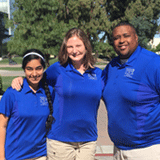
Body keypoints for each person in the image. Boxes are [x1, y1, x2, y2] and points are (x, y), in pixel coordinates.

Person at [11, 28, 104, 160]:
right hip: (60, 141)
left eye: (78, 45)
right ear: (65, 48)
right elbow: (36, 79)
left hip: (87, 141)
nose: (74, 50)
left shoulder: (98, 74)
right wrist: (21, 80)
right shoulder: (58, 69)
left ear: (86, 47)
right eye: (70, 46)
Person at [102, 21, 160, 160]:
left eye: (126, 35)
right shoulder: (112, 66)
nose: (121, 40)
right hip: (118, 150)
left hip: (147, 149)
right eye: (116, 38)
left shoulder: (153, 63)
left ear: (136, 38)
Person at [0, 49, 54, 160]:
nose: (34, 74)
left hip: (41, 155)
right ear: (24, 70)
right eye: (29, 69)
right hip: (15, 156)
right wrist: (1, 157)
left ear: (43, 68)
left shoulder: (49, 91)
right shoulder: (12, 93)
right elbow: (2, 126)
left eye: (38, 68)